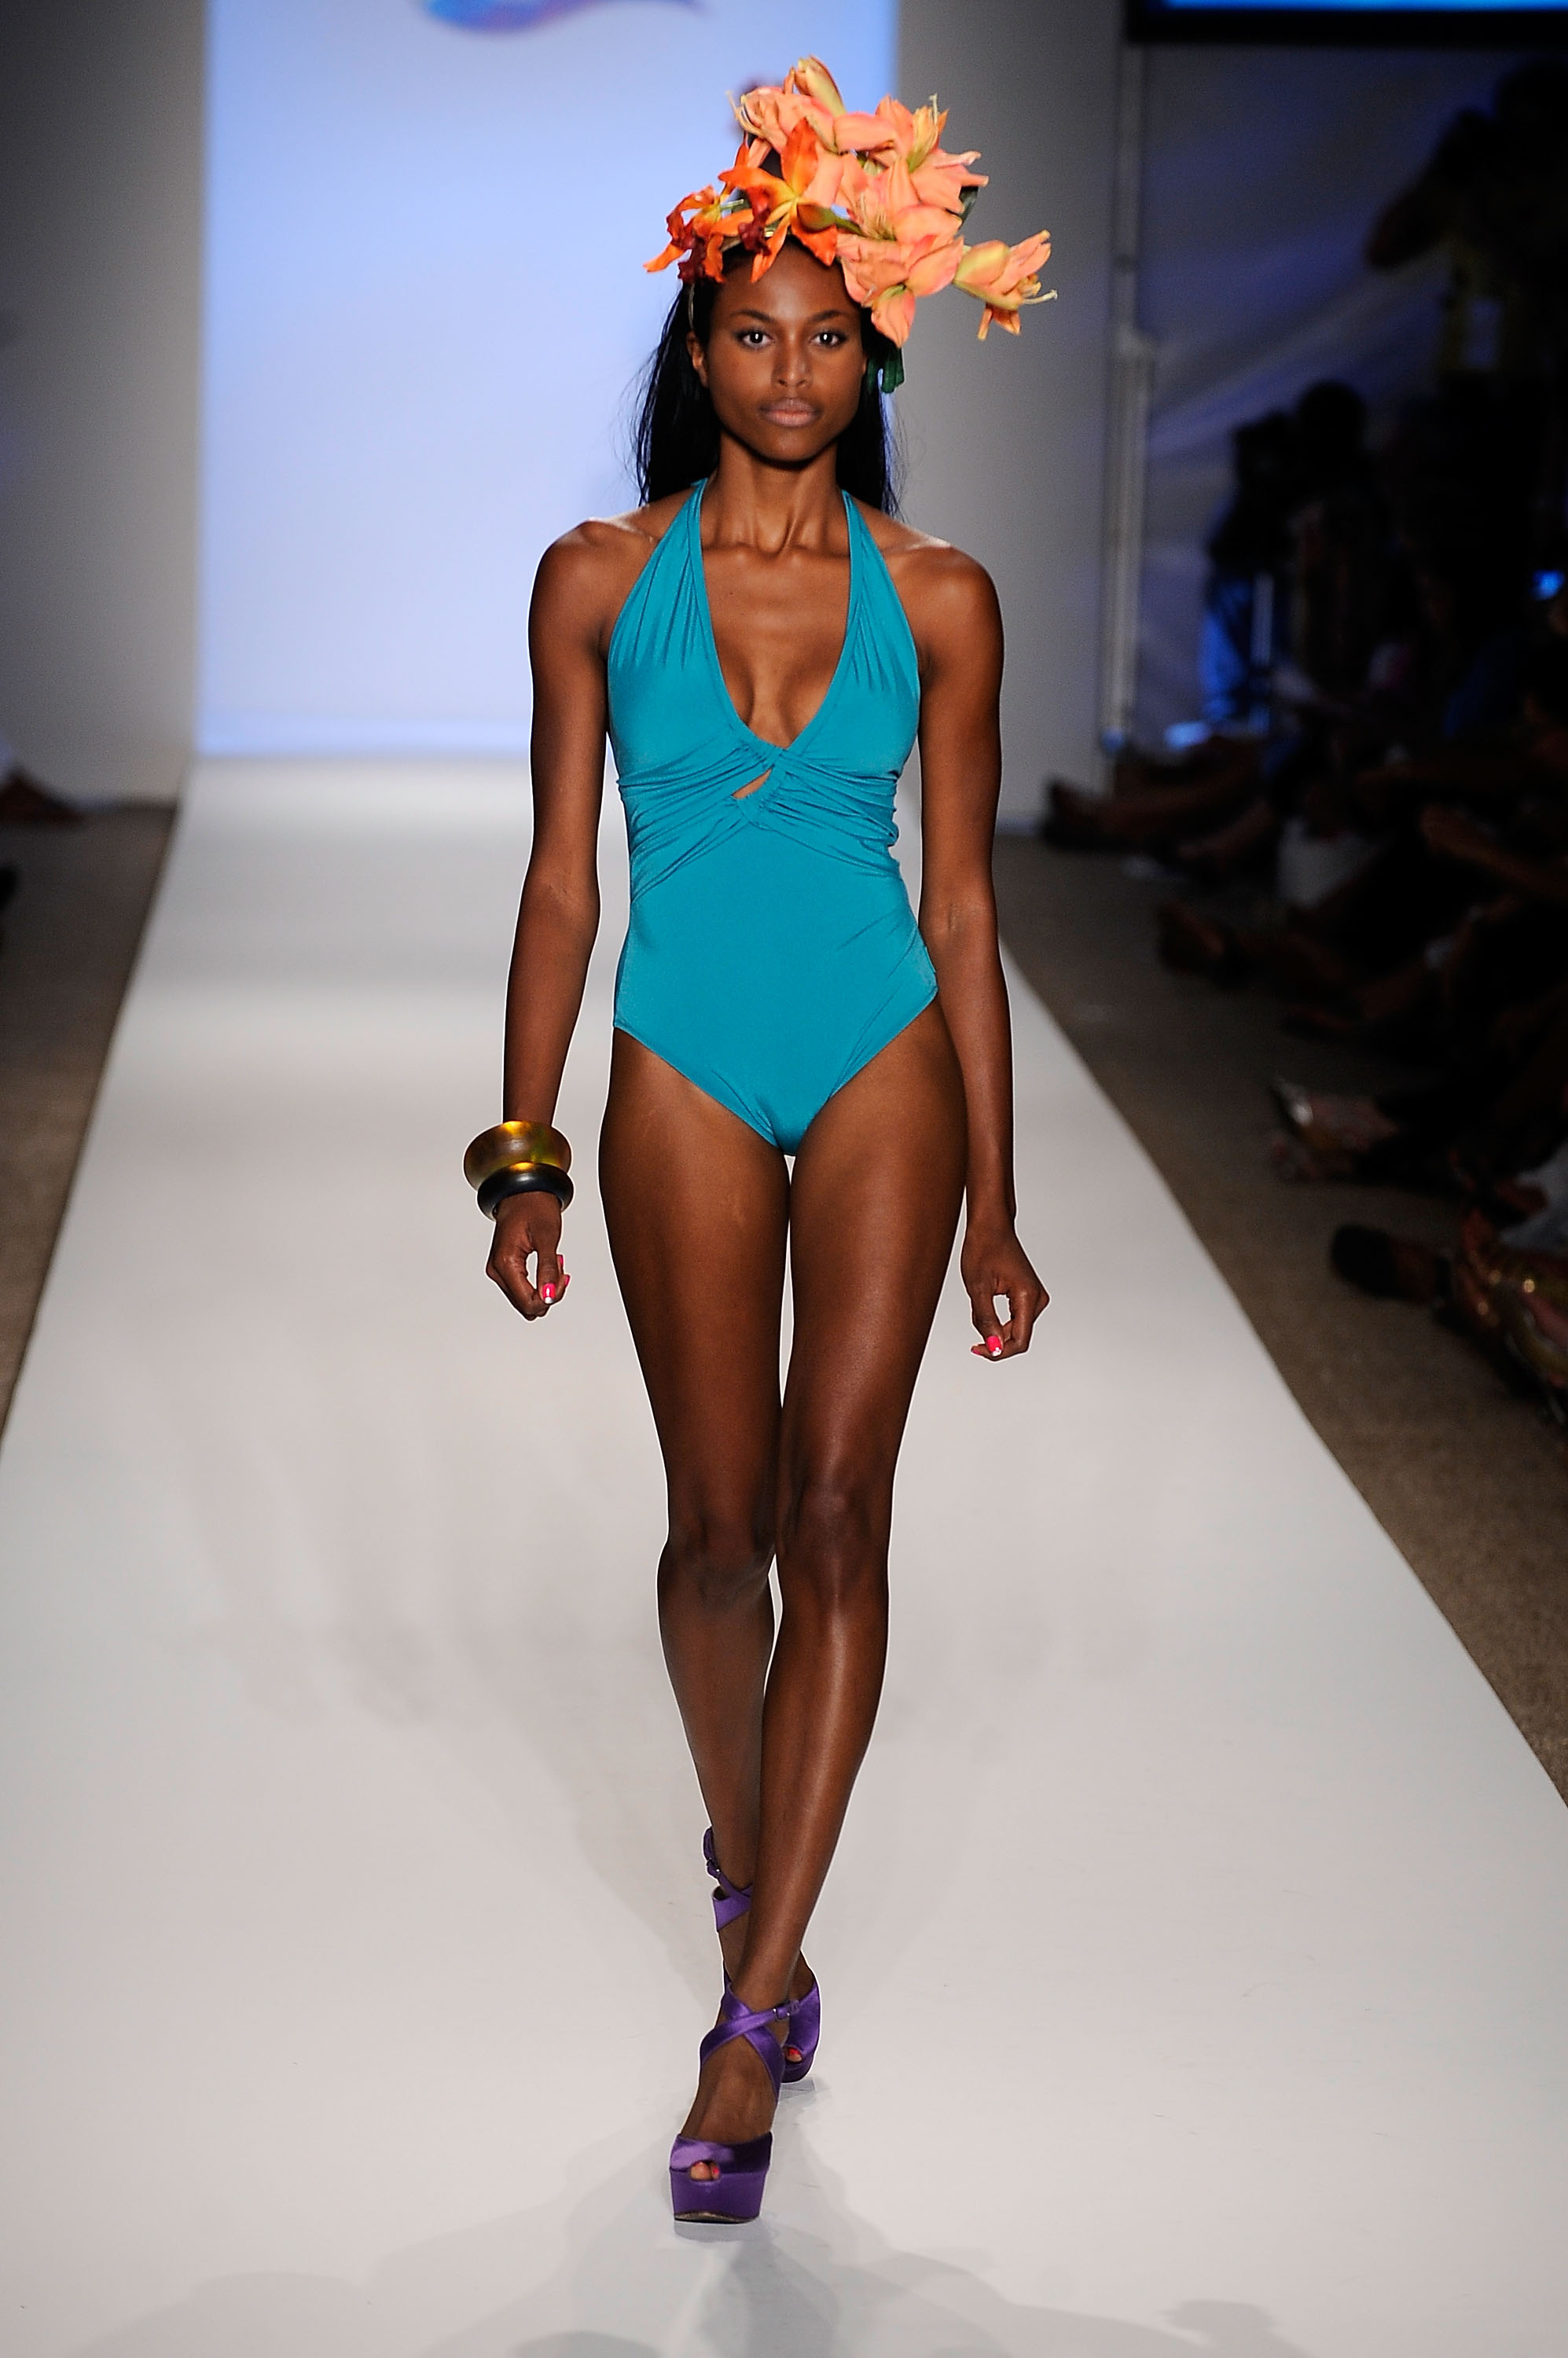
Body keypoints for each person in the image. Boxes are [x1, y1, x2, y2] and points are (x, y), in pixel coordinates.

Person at [464, 58, 1052, 2226]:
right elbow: (559, 881)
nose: (788, 370)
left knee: (834, 1512)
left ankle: (751, 2002)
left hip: (883, 1047)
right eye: (749, 334)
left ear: (869, 356)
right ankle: (750, 1861)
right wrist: (521, 1148)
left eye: (824, 336)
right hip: (684, 1055)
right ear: (695, 353)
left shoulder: (947, 595)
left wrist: (1000, 1207)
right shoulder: (595, 580)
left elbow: (966, 908)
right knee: (713, 1533)